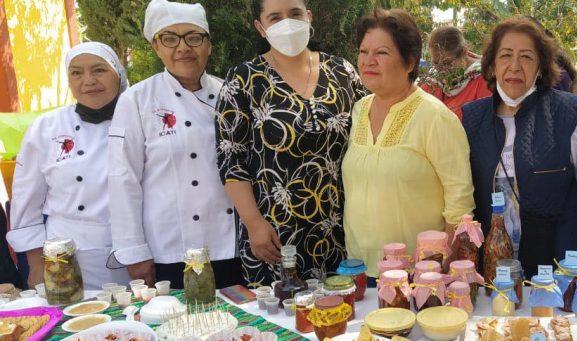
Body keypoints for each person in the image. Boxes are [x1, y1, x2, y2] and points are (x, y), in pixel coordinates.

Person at [216, 0, 367, 285]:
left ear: (308, 17)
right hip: (275, 235)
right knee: (282, 321)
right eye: (275, 17)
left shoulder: (342, 71)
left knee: (343, 318)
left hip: (340, 227)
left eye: (295, 14)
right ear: (261, 28)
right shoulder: (243, 80)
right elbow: (230, 160)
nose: (287, 22)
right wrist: (254, 224)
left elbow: (367, 137)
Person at [107, 0, 241, 289]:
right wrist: (134, 252)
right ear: (156, 46)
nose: (183, 48)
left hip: (230, 246)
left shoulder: (229, 94)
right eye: (170, 38)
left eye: (194, 37)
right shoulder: (137, 100)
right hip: (168, 249)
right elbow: (122, 179)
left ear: (208, 45)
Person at [461, 17, 577, 276]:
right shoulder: (471, 118)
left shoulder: (565, 112)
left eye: (526, 57)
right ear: (491, 66)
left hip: (555, 254)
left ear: (540, 68)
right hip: (493, 258)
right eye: (505, 56)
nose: (514, 66)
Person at [344, 9, 475, 279]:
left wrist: (437, 271)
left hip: (418, 278)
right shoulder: (358, 110)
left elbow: (459, 204)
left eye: (381, 53)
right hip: (359, 271)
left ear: (410, 62)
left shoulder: (435, 117)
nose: (369, 61)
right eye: (363, 51)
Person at [8, 42, 131, 290]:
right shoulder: (46, 127)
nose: (88, 80)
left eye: (99, 70)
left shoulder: (137, 119)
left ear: (118, 74)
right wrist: (35, 266)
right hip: (64, 257)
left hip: (132, 254)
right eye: (76, 72)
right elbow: (26, 201)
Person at [420, 26, 492, 119]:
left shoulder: (485, 81)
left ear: (464, 52)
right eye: (436, 62)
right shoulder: (432, 83)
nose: (440, 70)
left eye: (447, 63)